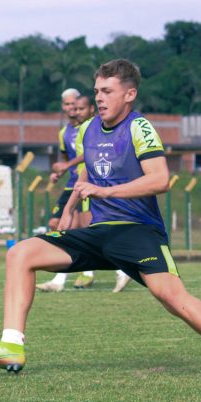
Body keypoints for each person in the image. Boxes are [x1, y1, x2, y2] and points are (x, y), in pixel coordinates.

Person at [0, 59, 201, 383]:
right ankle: (11, 345)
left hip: (138, 232)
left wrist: (107, 192)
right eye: (97, 91)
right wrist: (69, 208)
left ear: (129, 94)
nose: (99, 97)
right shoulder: (88, 129)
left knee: (172, 297)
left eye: (107, 91)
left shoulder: (140, 127)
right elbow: (86, 173)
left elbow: (160, 179)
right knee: (20, 253)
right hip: (98, 233)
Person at [37, 93, 132, 293]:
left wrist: (67, 166)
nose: (75, 111)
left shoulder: (97, 128)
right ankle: (65, 278)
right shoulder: (68, 132)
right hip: (76, 182)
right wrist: (61, 171)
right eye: (72, 107)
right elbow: (72, 158)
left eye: (79, 107)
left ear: (91, 109)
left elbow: (90, 156)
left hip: (92, 182)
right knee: (62, 226)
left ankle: (118, 269)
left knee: (87, 229)